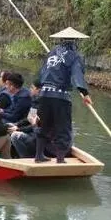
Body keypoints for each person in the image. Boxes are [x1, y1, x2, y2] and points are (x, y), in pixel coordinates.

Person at [35, 27, 92, 163]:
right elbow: (77, 75)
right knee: (63, 127)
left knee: (43, 125)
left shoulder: (51, 53)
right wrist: (85, 93)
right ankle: (60, 159)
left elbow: (42, 74)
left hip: (44, 94)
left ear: (61, 40)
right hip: (60, 97)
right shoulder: (74, 55)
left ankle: (38, 156)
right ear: (76, 42)